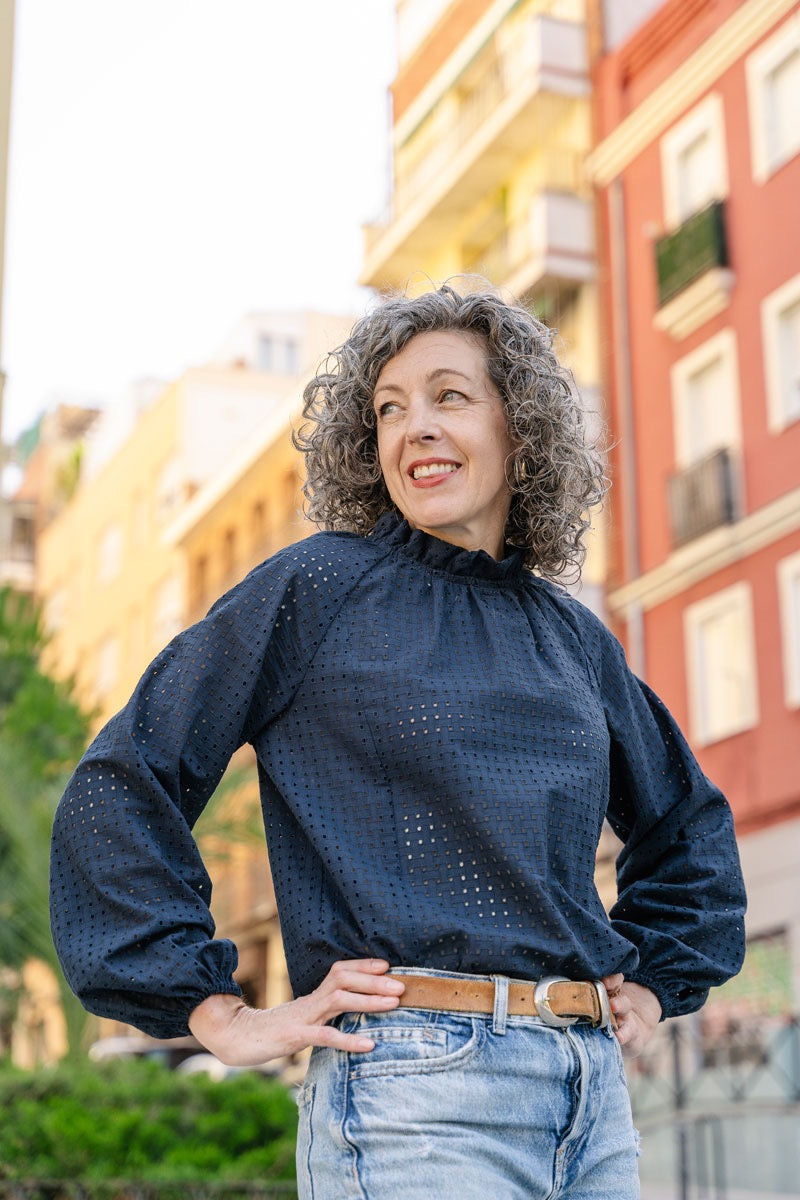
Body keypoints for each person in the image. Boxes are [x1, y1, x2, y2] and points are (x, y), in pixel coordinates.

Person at [51, 284, 746, 1199]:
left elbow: (689, 830)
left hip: (592, 1099)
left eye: (448, 396)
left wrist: (654, 983)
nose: (414, 427)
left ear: (521, 427)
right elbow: (124, 780)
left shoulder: (572, 636)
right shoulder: (317, 589)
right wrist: (215, 1012)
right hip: (410, 1095)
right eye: (388, 409)